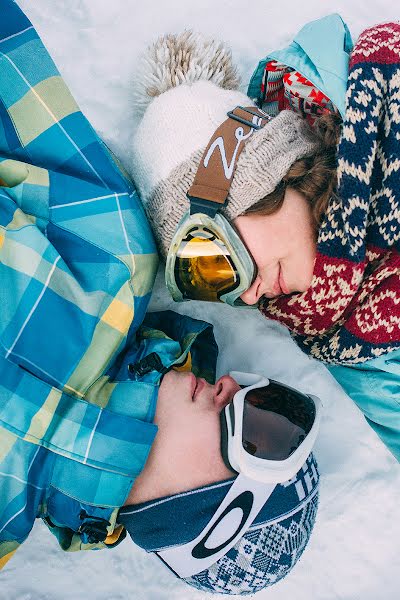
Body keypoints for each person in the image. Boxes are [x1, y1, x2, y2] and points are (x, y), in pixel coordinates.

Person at [0, 1, 320, 595]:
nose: (238, 387)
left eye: (260, 437)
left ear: (212, 525)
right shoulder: (111, 260)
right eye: (265, 402)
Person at [130, 16, 400, 461]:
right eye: (214, 285)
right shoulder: (347, 344)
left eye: (217, 258)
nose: (249, 293)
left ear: (265, 176)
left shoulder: (384, 94)